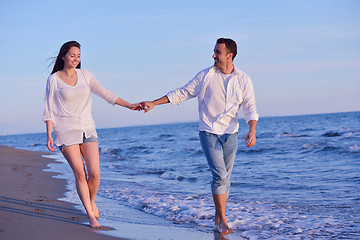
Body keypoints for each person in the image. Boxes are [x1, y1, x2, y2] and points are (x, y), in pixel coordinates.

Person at [141, 38, 258, 235]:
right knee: (220, 176)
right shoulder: (205, 76)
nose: (213, 55)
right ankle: (222, 220)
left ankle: (217, 219)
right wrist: (154, 102)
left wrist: (252, 129)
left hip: (231, 134)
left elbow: (250, 107)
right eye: (214, 51)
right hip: (209, 131)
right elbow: (182, 92)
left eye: (217, 52)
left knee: (225, 180)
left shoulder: (243, 79)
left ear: (229, 56)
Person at [43, 41, 141, 228]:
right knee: (80, 173)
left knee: (95, 174)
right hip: (66, 130)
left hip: (88, 128)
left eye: (79, 56)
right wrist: (49, 135)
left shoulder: (85, 75)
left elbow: (105, 93)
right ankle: (90, 215)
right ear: (63, 56)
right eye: (72, 55)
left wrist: (129, 105)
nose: (76, 59)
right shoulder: (53, 80)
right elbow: (48, 110)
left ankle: (91, 200)